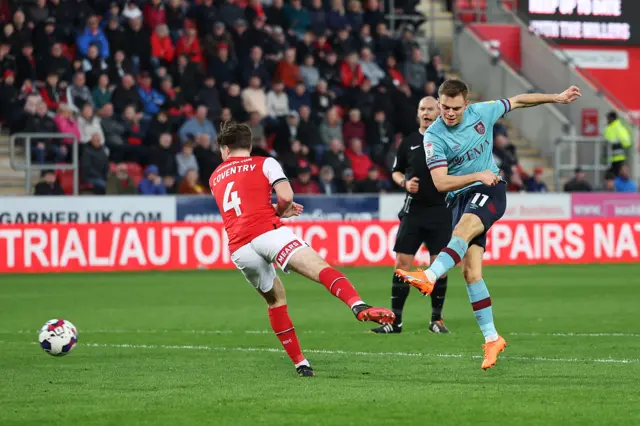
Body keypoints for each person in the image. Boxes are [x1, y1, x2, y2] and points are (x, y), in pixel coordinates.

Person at [397, 80, 581, 370]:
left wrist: (556, 97)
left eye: (456, 108)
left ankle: (430, 276)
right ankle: (492, 338)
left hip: (490, 189)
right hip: (461, 197)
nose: (450, 113)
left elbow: (519, 100)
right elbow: (441, 182)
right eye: (444, 107)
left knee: (461, 232)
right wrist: (476, 175)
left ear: (466, 105)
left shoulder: (482, 112)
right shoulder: (434, 136)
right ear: (439, 102)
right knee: (470, 272)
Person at [209, 122, 395, 377]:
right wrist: (281, 211)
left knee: (276, 300)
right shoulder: (264, 163)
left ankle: (301, 364)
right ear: (249, 146)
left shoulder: (214, 177)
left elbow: (239, 208)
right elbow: (285, 195)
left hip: (240, 248)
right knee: (320, 268)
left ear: (225, 150)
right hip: (267, 232)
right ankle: (358, 305)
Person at [371, 97, 452, 335]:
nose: (426, 113)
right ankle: (395, 322)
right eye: (422, 109)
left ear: (439, 112)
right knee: (402, 265)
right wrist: (405, 183)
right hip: (414, 212)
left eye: (430, 109)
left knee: (440, 267)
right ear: (418, 113)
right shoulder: (409, 142)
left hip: (440, 212)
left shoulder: (448, 140)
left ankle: (436, 320)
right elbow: (395, 171)